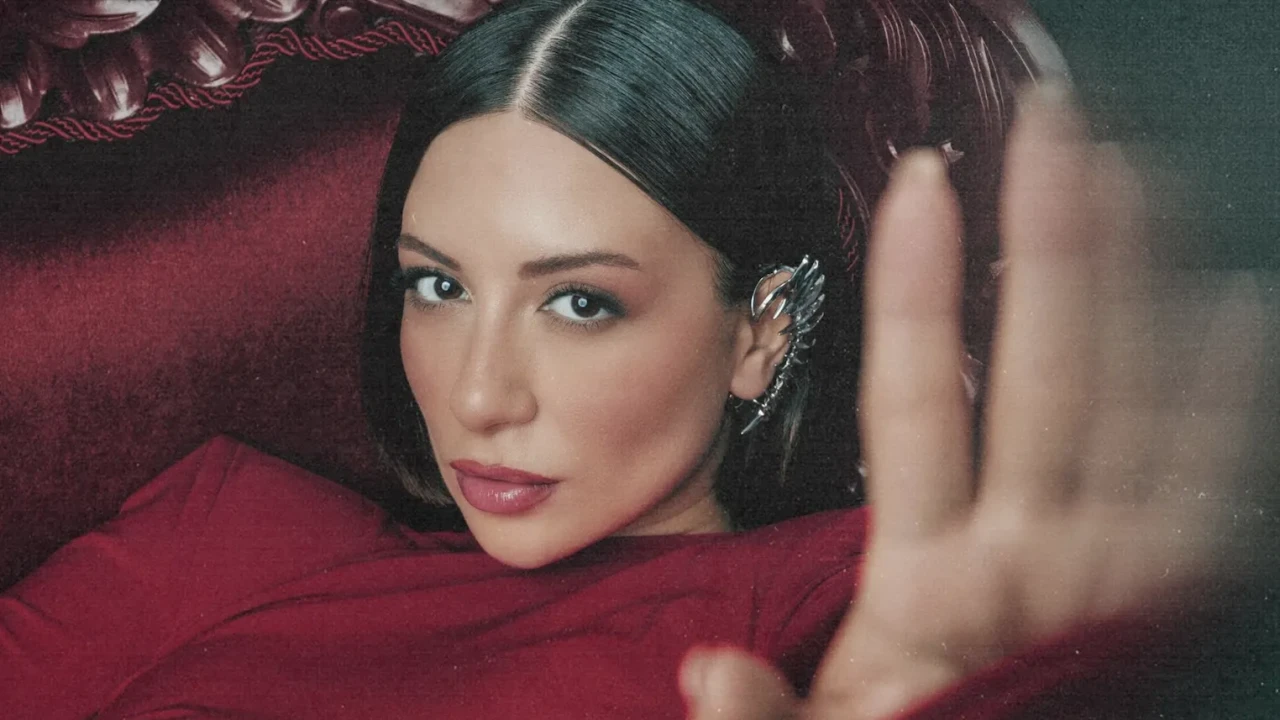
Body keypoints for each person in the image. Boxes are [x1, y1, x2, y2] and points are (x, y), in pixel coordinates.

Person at [1, 0, 1272, 718]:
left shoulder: (849, 597)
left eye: (579, 304)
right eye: (437, 285)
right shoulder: (221, 533)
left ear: (757, 331)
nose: (478, 393)